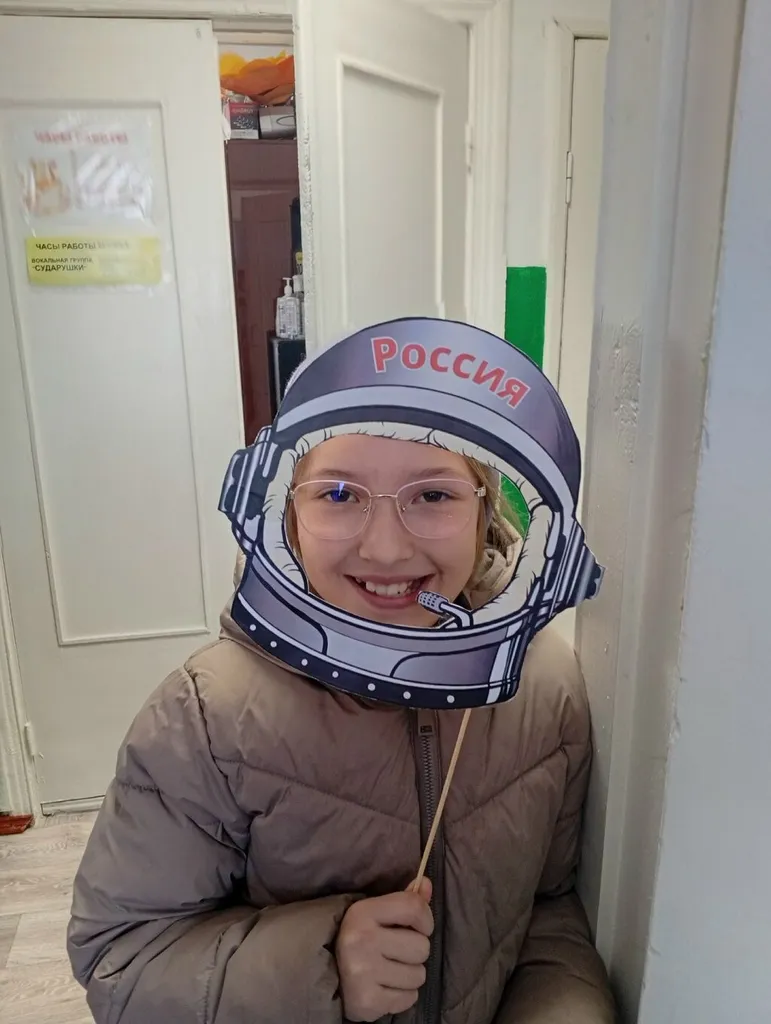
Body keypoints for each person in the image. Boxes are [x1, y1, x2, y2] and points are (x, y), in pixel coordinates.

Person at [68, 327, 615, 1024]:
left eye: (433, 495)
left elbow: (546, 910)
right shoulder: (205, 718)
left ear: (486, 508)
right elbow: (122, 961)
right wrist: (320, 967)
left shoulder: (545, 682)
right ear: (283, 510)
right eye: (337, 494)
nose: (385, 549)